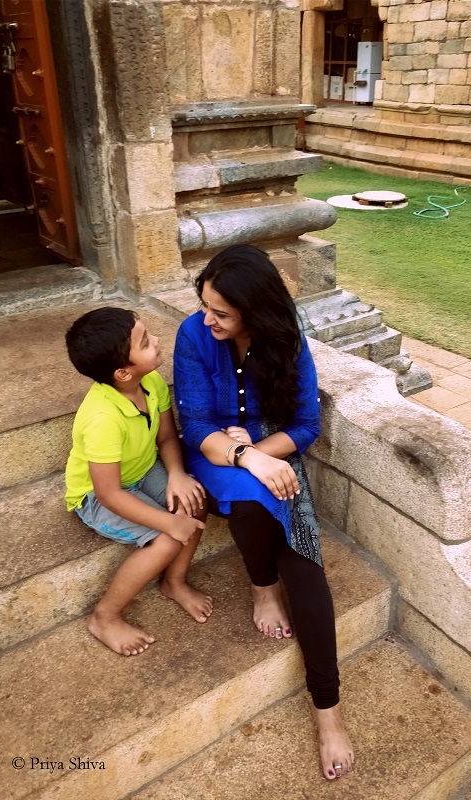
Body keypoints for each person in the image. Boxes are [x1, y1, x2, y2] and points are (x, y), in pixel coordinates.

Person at [173, 245, 354, 780]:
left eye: (221, 313)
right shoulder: (193, 336)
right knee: (254, 494)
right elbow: (196, 424)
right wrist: (244, 455)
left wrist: (258, 447)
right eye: (204, 305)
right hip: (216, 455)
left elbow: (304, 426)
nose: (208, 319)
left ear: (257, 311)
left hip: (271, 451)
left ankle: (329, 712)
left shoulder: (287, 340)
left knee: (304, 557)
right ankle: (260, 585)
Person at [64, 307, 211, 657]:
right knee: (167, 538)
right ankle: (105, 616)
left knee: (195, 501)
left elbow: (167, 439)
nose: (157, 341)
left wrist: (176, 475)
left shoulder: (151, 382)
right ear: (122, 372)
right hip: (98, 496)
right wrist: (169, 522)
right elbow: (109, 493)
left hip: (144, 470)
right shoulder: (102, 418)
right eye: (145, 342)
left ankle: (174, 583)